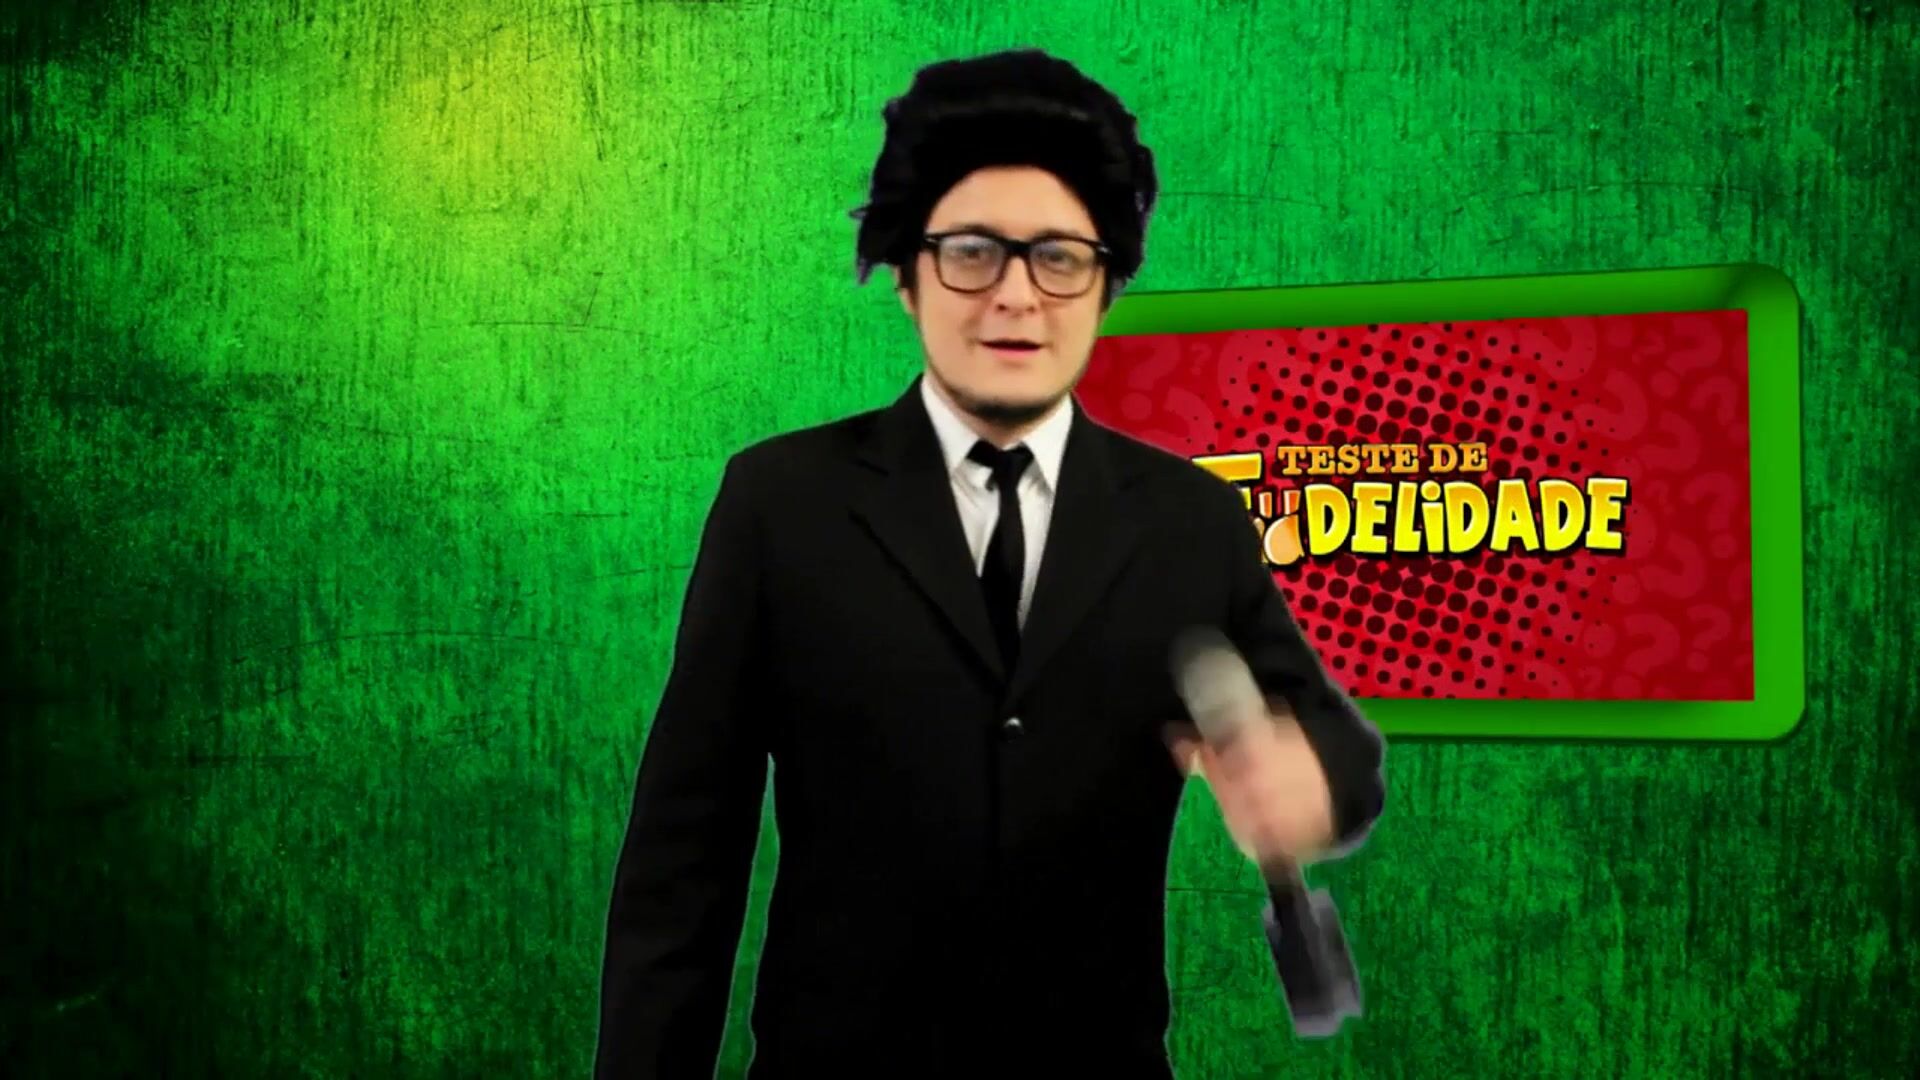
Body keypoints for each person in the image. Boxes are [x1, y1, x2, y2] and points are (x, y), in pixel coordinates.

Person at [594, 48, 1386, 1079]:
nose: (1017, 295)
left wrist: (1309, 785)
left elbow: (1340, 747)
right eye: (972, 252)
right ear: (906, 275)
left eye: (1060, 257)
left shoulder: (1189, 519)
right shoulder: (779, 504)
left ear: (1107, 284)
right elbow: (684, 857)